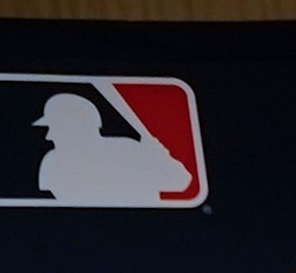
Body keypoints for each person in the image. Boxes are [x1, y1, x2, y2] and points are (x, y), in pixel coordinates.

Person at [31, 87, 193, 204]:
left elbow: (181, 182)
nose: (48, 136)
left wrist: (159, 158)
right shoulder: (53, 162)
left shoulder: (130, 151)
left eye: (56, 128)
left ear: (78, 128)